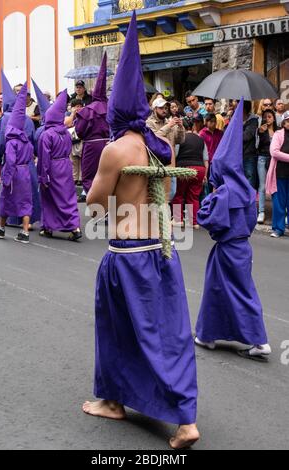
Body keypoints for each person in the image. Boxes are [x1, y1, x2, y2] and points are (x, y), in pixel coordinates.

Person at [83, 12, 199, 450]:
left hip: (126, 253)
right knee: (165, 332)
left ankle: (117, 403)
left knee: (118, 330)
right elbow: (164, 192)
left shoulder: (116, 149)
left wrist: (105, 188)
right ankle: (180, 417)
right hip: (162, 250)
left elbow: (95, 202)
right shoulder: (159, 145)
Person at [195, 99, 271, 362]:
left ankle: (258, 340)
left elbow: (207, 218)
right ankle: (209, 334)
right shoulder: (247, 191)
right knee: (223, 287)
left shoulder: (225, 192)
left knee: (237, 290)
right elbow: (247, 220)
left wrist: (210, 199)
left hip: (228, 248)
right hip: (242, 246)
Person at [0, 84, 33, 244]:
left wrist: (6, 177)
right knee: (25, 201)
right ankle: (25, 232)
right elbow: (30, 156)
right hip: (25, 172)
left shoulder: (11, 142)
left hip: (13, 172)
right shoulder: (26, 141)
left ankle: (0, 228)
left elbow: (10, 159)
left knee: (6, 199)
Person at [37, 90, 82, 241]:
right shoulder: (66, 133)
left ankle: (48, 227)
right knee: (68, 197)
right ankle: (74, 227)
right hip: (66, 165)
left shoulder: (46, 135)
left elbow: (44, 158)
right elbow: (69, 149)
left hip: (53, 167)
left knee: (49, 196)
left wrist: (43, 176)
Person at [75, 54, 110, 203]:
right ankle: (111, 204)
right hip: (110, 144)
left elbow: (80, 131)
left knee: (89, 176)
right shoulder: (111, 108)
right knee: (110, 176)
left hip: (92, 146)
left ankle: (100, 203)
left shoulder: (88, 109)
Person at [172, 118, 209, 228]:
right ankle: (193, 222)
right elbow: (206, 159)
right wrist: (205, 175)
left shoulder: (180, 139)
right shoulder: (201, 139)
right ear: (192, 127)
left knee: (179, 194)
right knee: (194, 196)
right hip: (199, 169)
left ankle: (178, 219)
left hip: (183, 168)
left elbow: (175, 155)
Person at [266, 111, 289, 238]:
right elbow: (274, 152)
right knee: (279, 203)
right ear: (284, 122)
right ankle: (278, 229)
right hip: (279, 174)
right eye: (288, 120)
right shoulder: (278, 134)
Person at [257, 109, 279, 224]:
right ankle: (261, 212)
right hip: (262, 158)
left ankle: (278, 212)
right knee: (262, 186)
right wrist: (260, 133)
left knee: (275, 186)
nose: (267, 119)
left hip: (275, 160)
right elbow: (257, 146)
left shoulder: (278, 131)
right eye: (265, 117)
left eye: (269, 116)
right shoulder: (261, 130)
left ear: (274, 118)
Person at [243, 101, 259, 189]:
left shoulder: (253, 120)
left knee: (250, 179)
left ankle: (250, 202)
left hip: (249, 155)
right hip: (237, 155)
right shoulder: (234, 119)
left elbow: (246, 136)